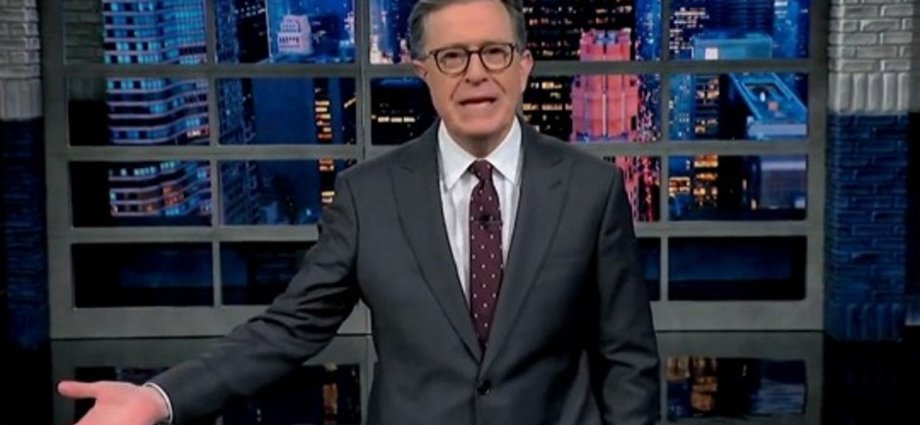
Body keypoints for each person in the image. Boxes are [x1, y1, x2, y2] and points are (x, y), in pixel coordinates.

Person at [57, 0, 661, 424]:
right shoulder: (368, 196)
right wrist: (158, 398)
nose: (476, 73)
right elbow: (288, 327)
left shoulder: (593, 188)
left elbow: (628, 359)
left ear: (524, 65)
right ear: (422, 71)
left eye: (495, 53)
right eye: (452, 56)